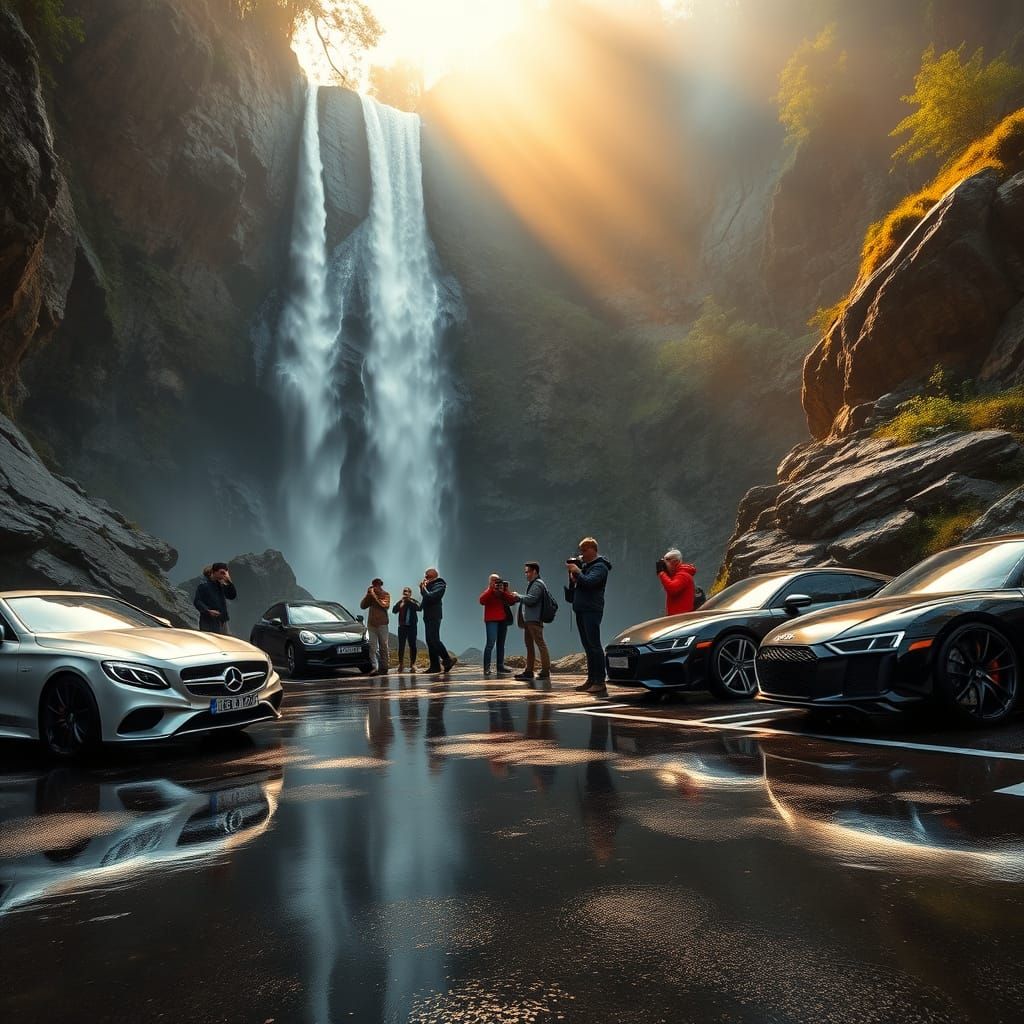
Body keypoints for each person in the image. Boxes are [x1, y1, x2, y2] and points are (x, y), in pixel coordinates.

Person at [565, 536, 612, 697]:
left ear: (593, 549)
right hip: (581, 609)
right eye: (581, 551)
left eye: (584, 550)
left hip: (592, 609)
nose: (582, 554)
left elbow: (590, 583)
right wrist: (573, 577)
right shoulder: (587, 566)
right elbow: (576, 589)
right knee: (587, 645)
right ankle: (591, 680)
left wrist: (578, 572)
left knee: (594, 645)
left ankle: (600, 681)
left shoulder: (600, 567)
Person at [512, 561, 552, 686]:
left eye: (527, 571)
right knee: (529, 645)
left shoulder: (538, 584)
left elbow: (532, 599)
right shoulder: (533, 583)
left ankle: (545, 671)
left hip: (534, 620)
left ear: (534, 571)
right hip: (529, 620)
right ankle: (529, 671)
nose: (526, 574)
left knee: (540, 644)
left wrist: (518, 596)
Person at [420, 567, 457, 674]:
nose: (425, 578)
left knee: (434, 639)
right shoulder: (428, 586)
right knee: (429, 640)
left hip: (434, 615)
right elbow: (425, 599)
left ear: (433, 576)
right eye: (425, 576)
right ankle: (435, 666)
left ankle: (447, 659)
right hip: (427, 616)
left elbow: (431, 597)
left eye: (427, 576)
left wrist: (423, 588)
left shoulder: (440, 585)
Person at [479, 573, 515, 677]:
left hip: (502, 620)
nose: (496, 582)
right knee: (490, 643)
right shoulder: (488, 591)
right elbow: (481, 600)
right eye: (493, 580)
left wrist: (505, 590)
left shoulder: (502, 591)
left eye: (497, 580)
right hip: (491, 620)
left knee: (501, 644)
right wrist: (491, 589)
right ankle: (486, 668)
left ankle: (500, 666)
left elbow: (512, 601)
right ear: (490, 582)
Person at [194, 562, 237, 634]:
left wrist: (229, 582)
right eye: (222, 573)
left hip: (222, 621)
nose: (224, 575)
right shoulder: (203, 586)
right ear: (214, 572)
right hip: (208, 622)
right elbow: (197, 601)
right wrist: (208, 611)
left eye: (225, 573)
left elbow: (231, 596)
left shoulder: (221, 584)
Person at [360, 578, 391, 675]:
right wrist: (368, 595)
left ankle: (384, 667)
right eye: (373, 585)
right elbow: (362, 606)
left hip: (382, 624)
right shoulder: (370, 597)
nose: (375, 587)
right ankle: (375, 667)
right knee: (372, 647)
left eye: (376, 585)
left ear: (380, 585)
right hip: (371, 624)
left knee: (383, 646)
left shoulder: (386, 594)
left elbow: (385, 606)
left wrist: (375, 596)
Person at [656, 547, 697, 615]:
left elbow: (672, 589)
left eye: (667, 561)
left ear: (675, 562)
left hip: (682, 618)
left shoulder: (683, 575)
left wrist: (661, 573)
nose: (664, 565)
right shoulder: (677, 575)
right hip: (678, 617)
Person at [392, 587, 421, 673]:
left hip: (412, 627)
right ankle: (401, 664)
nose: (406, 593)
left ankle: (413, 664)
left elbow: (419, 608)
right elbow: (394, 610)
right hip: (402, 627)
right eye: (404, 591)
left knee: (413, 645)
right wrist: (401, 602)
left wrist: (409, 601)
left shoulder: (413, 601)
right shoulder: (401, 602)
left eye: (407, 592)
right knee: (401, 646)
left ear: (410, 594)